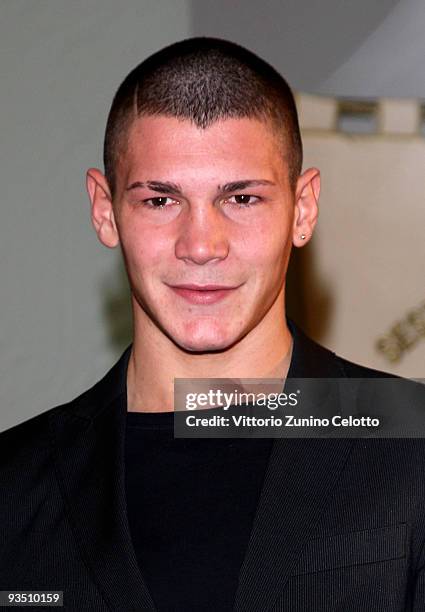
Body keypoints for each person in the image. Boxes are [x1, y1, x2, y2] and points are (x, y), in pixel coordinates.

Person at [1, 36, 424, 612]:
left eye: (242, 199)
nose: (201, 246)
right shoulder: (16, 484)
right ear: (105, 211)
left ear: (303, 209)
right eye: (160, 201)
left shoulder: (413, 442)